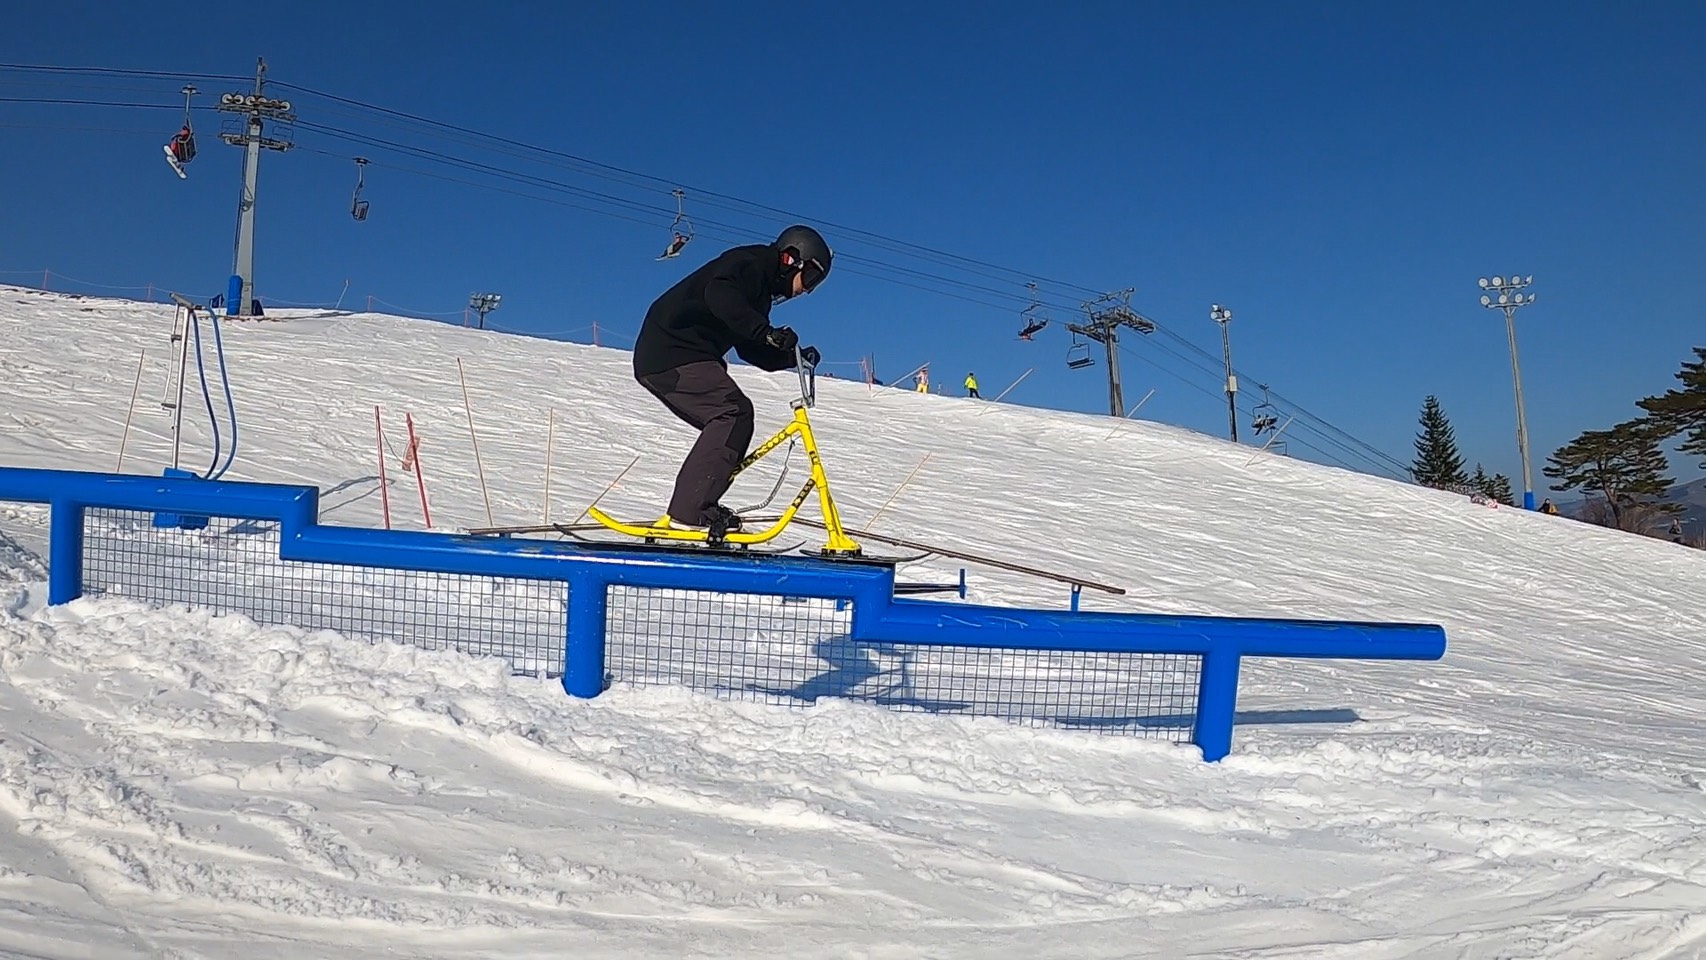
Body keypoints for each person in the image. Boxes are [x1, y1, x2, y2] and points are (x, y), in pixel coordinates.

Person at [632, 224, 830, 537]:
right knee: (732, 413)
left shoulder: (759, 292)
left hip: (676, 354)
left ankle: (698, 505)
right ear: (792, 259)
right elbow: (720, 295)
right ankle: (690, 510)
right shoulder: (750, 264)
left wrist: (791, 355)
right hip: (671, 351)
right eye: (811, 278)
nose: (806, 289)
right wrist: (764, 331)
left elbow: (752, 349)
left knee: (732, 416)